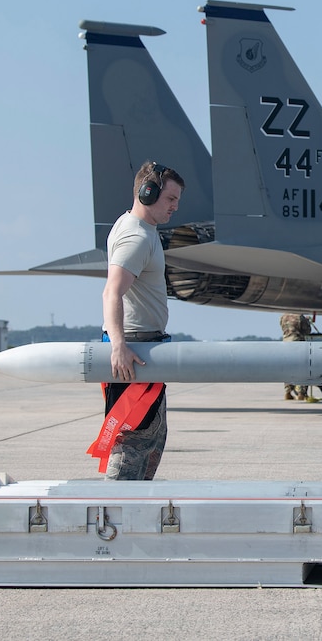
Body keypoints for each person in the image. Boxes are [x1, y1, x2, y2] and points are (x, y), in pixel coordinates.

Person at [88, 161, 184, 480]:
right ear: (148, 193)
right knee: (134, 440)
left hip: (142, 348)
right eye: (170, 199)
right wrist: (118, 346)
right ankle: (114, 514)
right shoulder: (137, 238)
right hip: (134, 351)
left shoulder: (139, 229)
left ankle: (131, 510)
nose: (175, 207)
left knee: (151, 438)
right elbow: (111, 293)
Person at [280, 313, 312, 401]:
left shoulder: (283, 316)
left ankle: (288, 392)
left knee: (288, 368)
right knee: (302, 368)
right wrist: (307, 321)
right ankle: (302, 393)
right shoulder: (300, 317)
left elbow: (283, 329)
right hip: (298, 344)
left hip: (286, 343)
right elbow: (307, 331)